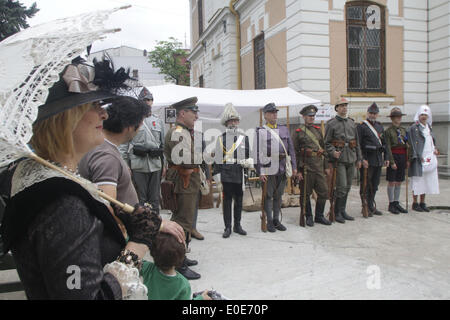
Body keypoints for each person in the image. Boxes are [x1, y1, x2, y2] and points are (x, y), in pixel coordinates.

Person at [0, 58, 163, 299]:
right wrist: (137, 245)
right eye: (93, 104)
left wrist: (117, 220)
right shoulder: (64, 205)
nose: (104, 114)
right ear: (66, 117)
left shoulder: (45, 177)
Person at [164, 97, 204, 280]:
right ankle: (177, 263)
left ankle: (181, 256)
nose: (196, 115)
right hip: (183, 182)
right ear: (182, 113)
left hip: (188, 182)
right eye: (193, 111)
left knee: (185, 222)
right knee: (182, 223)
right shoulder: (178, 132)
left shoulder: (186, 132)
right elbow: (187, 160)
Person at [120, 88, 165, 214]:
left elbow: (163, 145)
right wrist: (125, 164)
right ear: (140, 102)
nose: (148, 102)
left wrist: (164, 164)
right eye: (145, 100)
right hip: (138, 164)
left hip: (155, 164)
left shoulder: (158, 121)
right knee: (141, 198)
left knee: (155, 198)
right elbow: (123, 145)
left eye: (150, 100)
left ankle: (156, 223)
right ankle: (142, 225)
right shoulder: (133, 120)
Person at [254, 103, 297, 232]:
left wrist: (294, 167)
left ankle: (277, 220)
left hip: (282, 167)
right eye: (272, 112)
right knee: (268, 196)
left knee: (279, 195)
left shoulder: (284, 129)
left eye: (276, 112)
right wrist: (260, 171)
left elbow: (291, 149)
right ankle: (270, 221)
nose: (275, 114)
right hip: (269, 168)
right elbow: (256, 153)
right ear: (265, 115)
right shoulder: (260, 132)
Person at [213, 103, 252, 238]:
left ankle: (237, 225)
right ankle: (227, 227)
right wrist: (218, 180)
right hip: (226, 174)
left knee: (239, 201)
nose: (234, 123)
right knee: (227, 201)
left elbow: (248, 155)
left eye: (235, 120)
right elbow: (217, 161)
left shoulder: (244, 138)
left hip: (239, 174)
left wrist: (248, 164)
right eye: (231, 121)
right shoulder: (221, 139)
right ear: (226, 123)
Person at [325, 97, 362, 223]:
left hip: (351, 157)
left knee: (347, 187)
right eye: (341, 106)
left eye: (345, 105)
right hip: (339, 159)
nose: (344, 108)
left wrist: (359, 158)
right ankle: (335, 212)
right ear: (337, 108)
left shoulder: (352, 123)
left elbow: (356, 142)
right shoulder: (331, 124)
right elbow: (326, 143)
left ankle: (342, 210)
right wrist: (332, 152)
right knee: (341, 187)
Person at [293, 105, 331, 227]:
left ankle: (319, 215)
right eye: (309, 116)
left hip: (318, 166)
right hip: (306, 168)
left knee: (324, 192)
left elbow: (323, 149)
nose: (311, 118)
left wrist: (326, 166)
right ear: (303, 117)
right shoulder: (298, 132)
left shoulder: (318, 130)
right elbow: (294, 152)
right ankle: (308, 216)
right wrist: (298, 170)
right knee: (305, 194)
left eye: (313, 116)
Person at [144, 233, 212, 300]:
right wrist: (201, 298)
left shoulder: (147, 268)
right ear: (181, 258)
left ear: (152, 254)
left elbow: (135, 258)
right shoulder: (183, 284)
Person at [357, 103, 389, 216]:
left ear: (377, 114)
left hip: (378, 159)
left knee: (375, 185)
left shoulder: (380, 126)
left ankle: (371, 205)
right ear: (367, 113)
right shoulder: (362, 126)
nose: (373, 115)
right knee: (365, 185)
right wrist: (362, 159)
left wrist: (387, 157)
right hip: (368, 160)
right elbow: (358, 144)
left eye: (375, 113)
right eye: (371, 113)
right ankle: (364, 206)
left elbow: (384, 143)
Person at [407, 105, 440, 212]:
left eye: (425, 115)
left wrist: (434, 149)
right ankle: (415, 202)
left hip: (429, 157)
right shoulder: (414, 128)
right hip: (418, 158)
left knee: (426, 180)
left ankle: (422, 202)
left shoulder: (429, 128)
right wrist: (416, 155)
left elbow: (431, 141)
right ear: (418, 115)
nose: (424, 117)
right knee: (417, 180)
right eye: (422, 115)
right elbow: (411, 142)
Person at [385, 108, 409, 214]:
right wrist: (392, 161)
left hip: (403, 156)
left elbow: (407, 145)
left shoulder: (403, 130)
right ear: (392, 118)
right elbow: (388, 147)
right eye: (396, 117)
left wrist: (408, 159)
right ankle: (391, 203)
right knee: (392, 181)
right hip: (394, 156)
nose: (398, 119)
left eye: (399, 117)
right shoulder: (388, 131)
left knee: (399, 180)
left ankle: (396, 202)